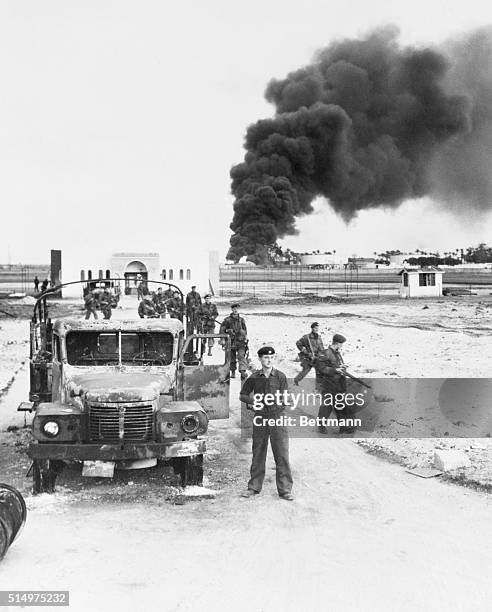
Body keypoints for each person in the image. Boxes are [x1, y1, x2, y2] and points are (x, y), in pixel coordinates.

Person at [239, 346, 294, 501]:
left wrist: (282, 402)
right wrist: (253, 401)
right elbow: (243, 395)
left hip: (277, 417)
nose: (269, 360)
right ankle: (254, 487)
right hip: (261, 418)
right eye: (265, 358)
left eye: (271, 358)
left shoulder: (281, 377)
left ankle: (285, 490)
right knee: (258, 453)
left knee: (282, 454)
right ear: (260, 359)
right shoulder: (255, 377)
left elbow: (285, 396)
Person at [315, 333, 355, 434]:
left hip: (339, 384)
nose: (341, 346)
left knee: (340, 405)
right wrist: (335, 370)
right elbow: (321, 368)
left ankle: (344, 428)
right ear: (337, 343)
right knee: (326, 407)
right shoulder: (325, 353)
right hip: (328, 384)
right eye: (341, 344)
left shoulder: (337, 353)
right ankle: (321, 426)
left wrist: (343, 367)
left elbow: (339, 365)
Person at [220, 303, 248, 380]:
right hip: (231, 342)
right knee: (231, 357)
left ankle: (242, 371)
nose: (235, 310)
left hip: (240, 342)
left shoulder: (241, 320)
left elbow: (245, 331)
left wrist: (244, 336)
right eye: (234, 309)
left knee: (241, 356)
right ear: (232, 310)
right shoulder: (227, 320)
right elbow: (222, 330)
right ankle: (232, 372)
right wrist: (226, 333)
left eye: (237, 309)